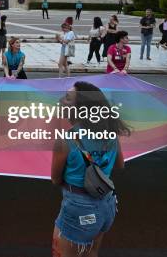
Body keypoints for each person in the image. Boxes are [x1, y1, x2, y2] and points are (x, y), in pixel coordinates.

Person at [51, 82, 129, 257]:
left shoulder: (65, 140)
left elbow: (56, 179)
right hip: (107, 205)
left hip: (78, 208)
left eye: (67, 98)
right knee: (91, 253)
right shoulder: (110, 133)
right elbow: (120, 165)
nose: (61, 100)